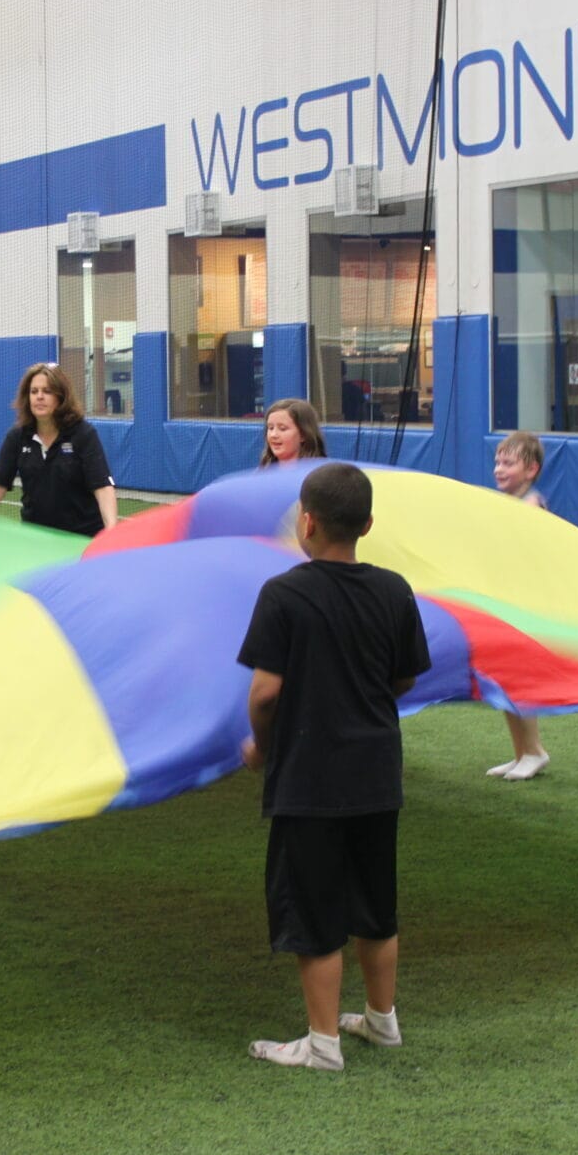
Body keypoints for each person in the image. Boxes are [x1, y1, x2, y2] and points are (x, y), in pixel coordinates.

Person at [237, 463, 431, 1070]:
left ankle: (323, 1044)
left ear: (307, 521)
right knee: (376, 903)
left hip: (310, 778)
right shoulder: (395, 590)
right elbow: (403, 675)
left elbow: (265, 693)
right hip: (376, 771)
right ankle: (381, 1020)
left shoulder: (284, 594)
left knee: (315, 910)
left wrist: (262, 746)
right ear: (368, 524)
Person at [0, 363, 118, 537]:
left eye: (47, 391)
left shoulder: (83, 434)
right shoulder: (17, 437)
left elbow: (103, 488)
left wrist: (111, 532)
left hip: (80, 539)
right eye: (34, 391)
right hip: (35, 540)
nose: (39, 397)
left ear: (61, 397)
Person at [487, 432, 551, 781]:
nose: (498, 469)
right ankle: (521, 752)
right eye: (497, 461)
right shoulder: (508, 505)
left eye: (508, 463)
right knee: (505, 680)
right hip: (507, 602)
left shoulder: (531, 506)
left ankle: (534, 750)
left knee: (517, 681)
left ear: (531, 470)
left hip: (525, 607)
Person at [258, 398, 326, 468]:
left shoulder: (319, 474)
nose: (273, 435)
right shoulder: (263, 473)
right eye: (271, 428)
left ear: (303, 434)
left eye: (282, 429)